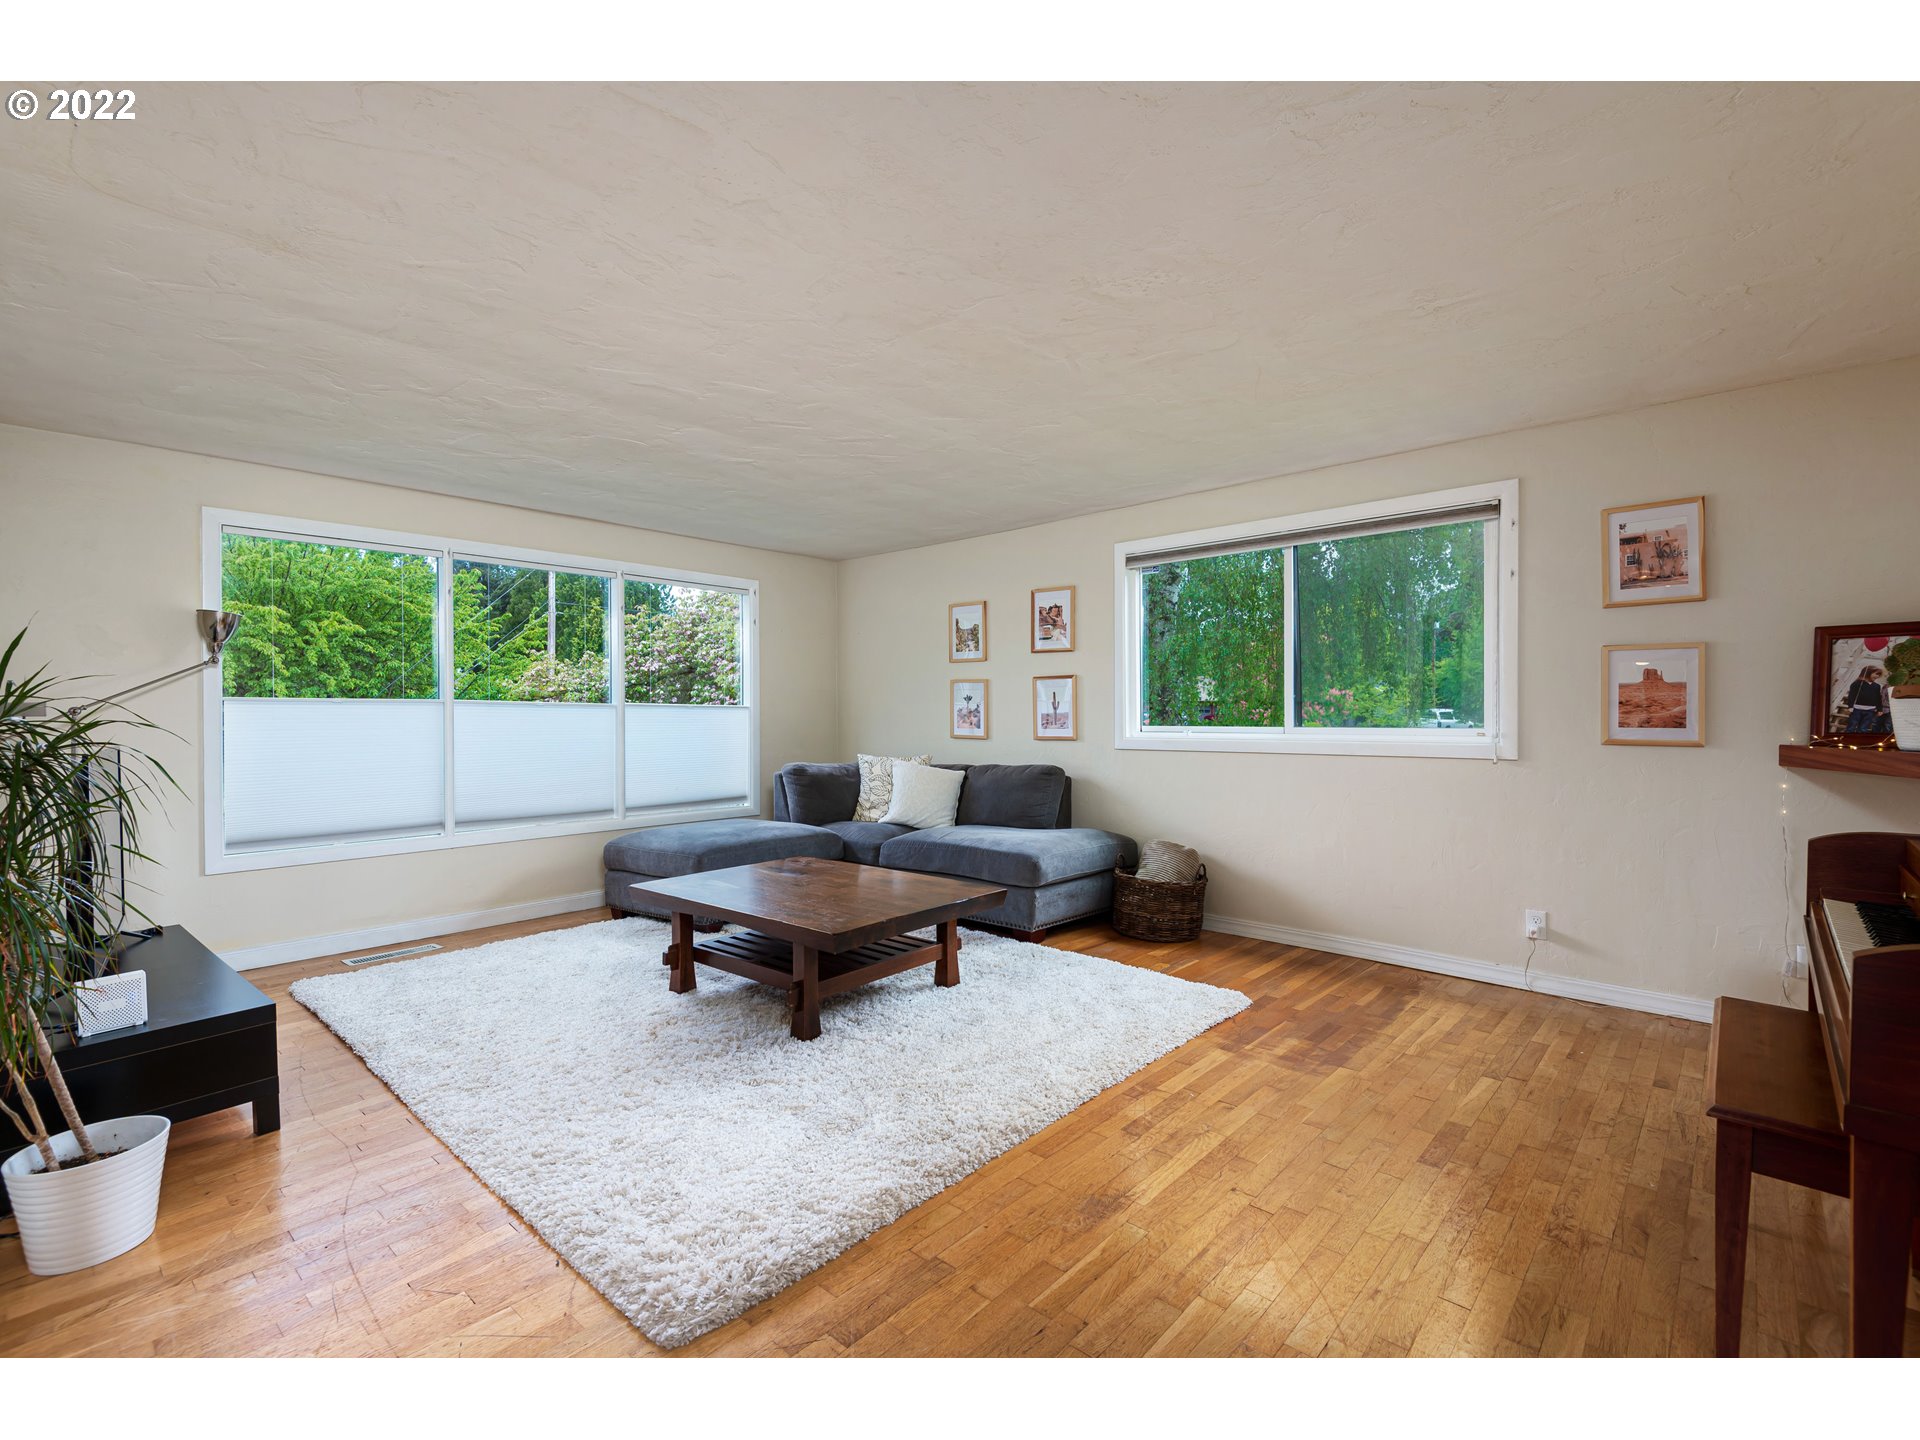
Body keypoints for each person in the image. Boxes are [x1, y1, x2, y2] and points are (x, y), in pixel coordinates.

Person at [1843, 663, 1892, 734]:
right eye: (1876, 674)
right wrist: (1850, 706)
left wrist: (1879, 709)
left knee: (1863, 729)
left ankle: (1860, 740)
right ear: (1868, 672)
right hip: (1857, 710)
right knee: (1851, 727)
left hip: (1870, 711)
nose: (1877, 676)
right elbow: (1851, 696)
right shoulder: (1857, 684)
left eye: (1879, 674)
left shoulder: (1877, 686)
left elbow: (1878, 698)